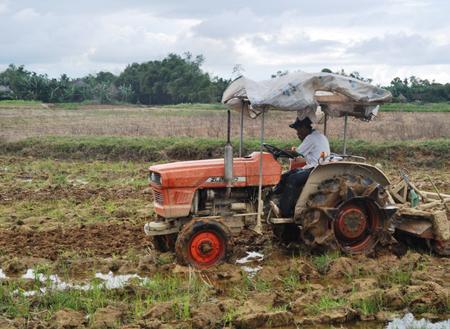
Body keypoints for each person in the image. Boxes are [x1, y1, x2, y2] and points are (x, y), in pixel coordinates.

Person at [271, 117, 330, 217]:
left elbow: (296, 153)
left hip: (317, 169)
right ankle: (273, 196)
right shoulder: (317, 135)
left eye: (298, 130)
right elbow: (298, 153)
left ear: (304, 127)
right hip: (313, 167)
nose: (297, 133)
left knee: (292, 179)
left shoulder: (312, 138)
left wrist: (280, 152)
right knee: (286, 175)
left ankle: (284, 211)